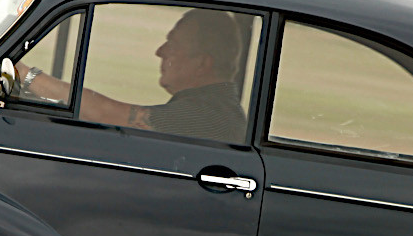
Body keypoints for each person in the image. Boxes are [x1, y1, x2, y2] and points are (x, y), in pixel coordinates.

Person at [17, 9, 247, 142]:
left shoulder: (208, 116)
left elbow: (106, 113)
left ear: (202, 64)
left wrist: (26, 75)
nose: (160, 52)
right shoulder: (214, 108)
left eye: (173, 45)